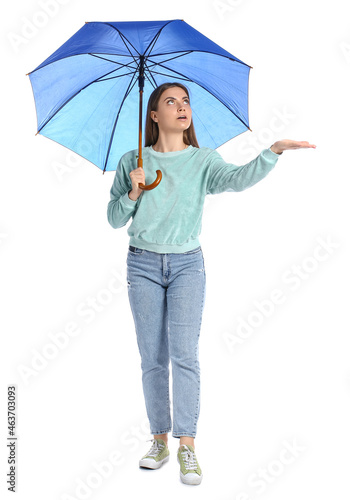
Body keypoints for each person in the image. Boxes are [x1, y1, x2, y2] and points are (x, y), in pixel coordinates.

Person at [107, 82, 316, 485]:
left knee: (185, 355)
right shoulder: (132, 160)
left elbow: (236, 180)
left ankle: (187, 446)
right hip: (142, 266)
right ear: (154, 115)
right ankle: (159, 441)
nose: (182, 108)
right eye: (171, 102)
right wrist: (133, 190)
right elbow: (115, 219)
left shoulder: (203, 160)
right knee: (153, 358)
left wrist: (271, 152)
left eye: (186, 102)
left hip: (188, 266)